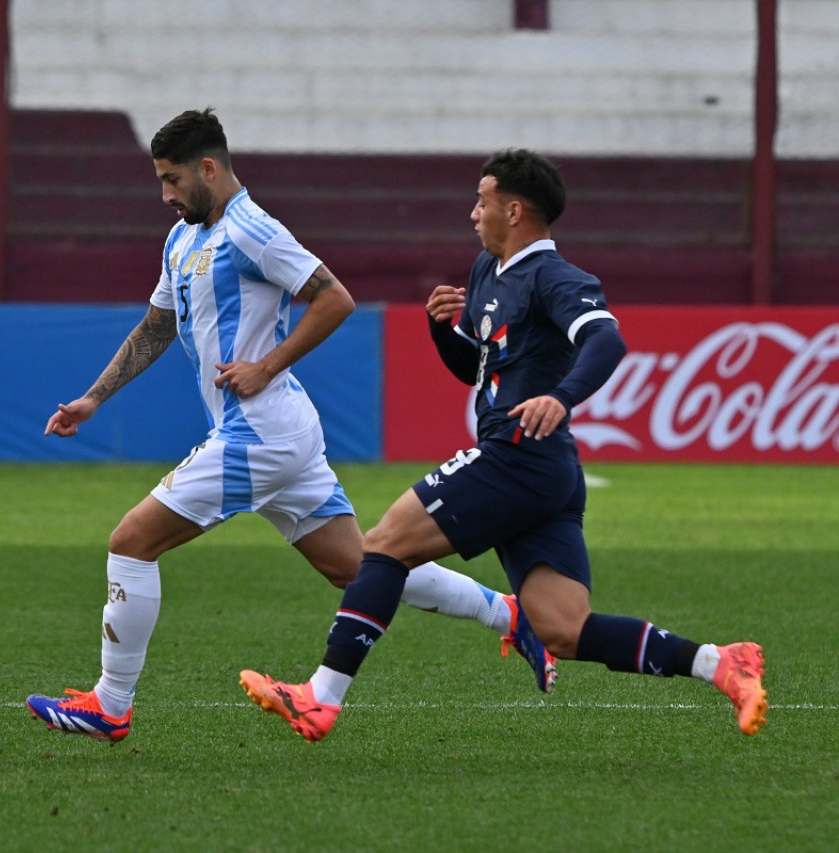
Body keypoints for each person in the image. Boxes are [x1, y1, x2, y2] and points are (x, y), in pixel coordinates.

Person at [25, 111, 556, 743]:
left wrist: (266, 365)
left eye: (172, 179)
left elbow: (335, 297)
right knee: (357, 567)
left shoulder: (253, 230)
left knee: (130, 542)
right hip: (278, 433)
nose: (165, 194)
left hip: (260, 434)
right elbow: (156, 327)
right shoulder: (182, 240)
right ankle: (514, 615)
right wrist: (93, 399)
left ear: (209, 168)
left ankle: (110, 706)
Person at [239, 148, 768, 742]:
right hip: (542, 472)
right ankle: (720, 663)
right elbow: (477, 370)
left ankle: (321, 696)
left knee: (384, 544)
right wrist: (444, 330)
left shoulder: (555, 276)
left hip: (520, 456)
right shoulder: (488, 271)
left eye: (481, 201)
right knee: (564, 629)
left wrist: (562, 397)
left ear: (514, 210)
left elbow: (607, 340)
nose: (473, 213)